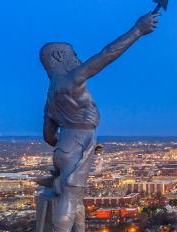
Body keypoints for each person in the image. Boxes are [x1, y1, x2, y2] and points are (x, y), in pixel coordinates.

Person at [39, 12, 159, 232]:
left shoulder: (51, 95)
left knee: (74, 197)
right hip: (78, 142)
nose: (77, 58)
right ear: (58, 57)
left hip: (64, 146)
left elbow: (48, 135)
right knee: (69, 197)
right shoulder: (72, 80)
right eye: (72, 54)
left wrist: (66, 141)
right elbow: (105, 56)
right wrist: (138, 31)